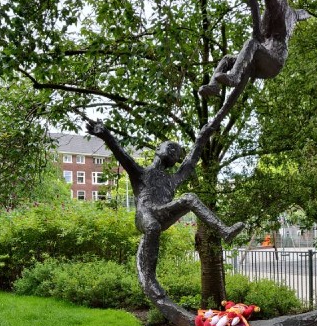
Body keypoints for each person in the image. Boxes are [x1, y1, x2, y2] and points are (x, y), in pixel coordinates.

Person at [84, 119, 243, 305]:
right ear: (158, 149)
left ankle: (225, 231)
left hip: (164, 213)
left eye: (176, 152)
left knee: (189, 198)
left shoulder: (173, 180)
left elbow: (190, 162)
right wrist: (105, 134)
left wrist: (203, 136)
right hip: (145, 215)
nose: (174, 151)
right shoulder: (141, 173)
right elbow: (122, 155)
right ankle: (150, 280)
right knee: (152, 226)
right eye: (170, 147)